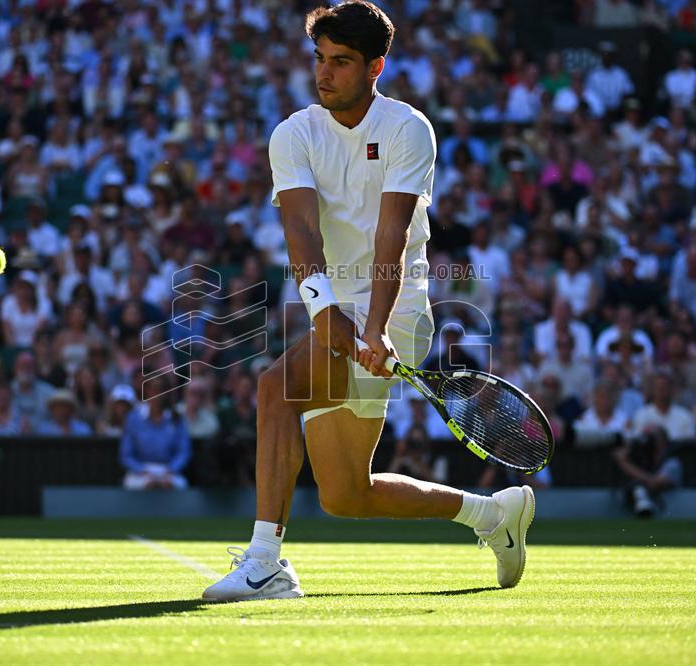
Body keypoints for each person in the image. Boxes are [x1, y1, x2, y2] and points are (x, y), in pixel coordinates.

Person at [203, 2, 535, 603]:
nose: (324, 74)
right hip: (331, 298)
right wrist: (326, 311)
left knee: (277, 390)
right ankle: (493, 515)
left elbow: (394, 234)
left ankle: (264, 564)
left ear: (375, 66)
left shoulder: (408, 129)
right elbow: (301, 234)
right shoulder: (294, 133)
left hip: (397, 308)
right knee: (345, 496)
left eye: (341, 62)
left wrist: (373, 326)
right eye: (319, 59)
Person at [119, 377, 192, 490]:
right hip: (140, 472)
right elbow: (126, 455)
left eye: (161, 390)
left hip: (169, 470)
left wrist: (171, 470)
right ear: (147, 391)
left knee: (180, 485)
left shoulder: (177, 418)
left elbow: (183, 452)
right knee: (138, 485)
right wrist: (142, 471)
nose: (157, 394)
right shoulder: (133, 418)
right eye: (154, 389)